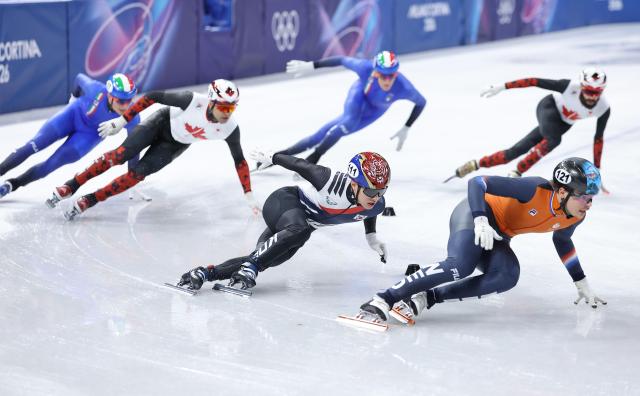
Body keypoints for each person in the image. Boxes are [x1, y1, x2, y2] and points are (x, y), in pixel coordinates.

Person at [357, 157, 606, 325]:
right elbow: (478, 182)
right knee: (461, 265)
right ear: (562, 192)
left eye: (592, 198)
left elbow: (562, 243)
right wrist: (480, 220)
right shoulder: (534, 189)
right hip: (474, 215)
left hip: (498, 237)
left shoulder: (575, 216)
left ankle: (425, 297)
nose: (589, 204)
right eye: (585, 196)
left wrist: (580, 281)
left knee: (507, 275)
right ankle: (383, 299)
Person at [176, 151, 391, 291]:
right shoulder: (329, 180)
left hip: (294, 229)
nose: (376, 197)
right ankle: (251, 266)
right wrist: (271, 157)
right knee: (300, 231)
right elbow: (299, 164)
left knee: (271, 256)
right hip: (283, 202)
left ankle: (204, 273)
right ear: (354, 184)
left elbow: (371, 214)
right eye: (371, 190)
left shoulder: (376, 205)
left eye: (382, 191)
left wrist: (371, 237)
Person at [46, 79, 259, 219]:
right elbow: (152, 96)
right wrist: (122, 120)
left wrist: (248, 193)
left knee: (136, 175)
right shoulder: (192, 100)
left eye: (231, 108)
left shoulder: (230, 129)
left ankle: (90, 200)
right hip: (160, 123)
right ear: (211, 103)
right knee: (118, 156)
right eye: (223, 107)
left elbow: (239, 160)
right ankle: (71, 185)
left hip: (175, 144)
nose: (226, 113)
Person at [259, 51, 425, 168]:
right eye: (383, 75)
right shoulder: (365, 68)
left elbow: (421, 102)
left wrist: (407, 126)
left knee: (333, 131)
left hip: (375, 111)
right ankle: (309, 158)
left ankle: (289, 156)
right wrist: (312, 65)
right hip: (359, 94)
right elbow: (341, 60)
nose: (387, 80)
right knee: (344, 124)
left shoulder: (404, 87)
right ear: (375, 73)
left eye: (391, 75)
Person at [449, 68, 610, 183]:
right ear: (581, 86)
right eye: (588, 91)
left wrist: (596, 169)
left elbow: (598, 139)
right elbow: (534, 81)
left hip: (563, 124)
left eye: (596, 93)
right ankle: (517, 172)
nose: (591, 97)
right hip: (549, 108)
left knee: (514, 152)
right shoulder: (569, 86)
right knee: (554, 140)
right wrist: (502, 86)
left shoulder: (603, 108)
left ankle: (475, 164)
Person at [0, 73, 141, 199]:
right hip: (71, 116)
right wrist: (74, 97)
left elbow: (134, 147)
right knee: (32, 146)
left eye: (129, 100)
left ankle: (12, 185)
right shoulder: (95, 89)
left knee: (49, 166)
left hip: (87, 136)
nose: (125, 105)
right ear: (110, 96)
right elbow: (79, 78)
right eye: (121, 101)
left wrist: (131, 178)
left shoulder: (132, 116)